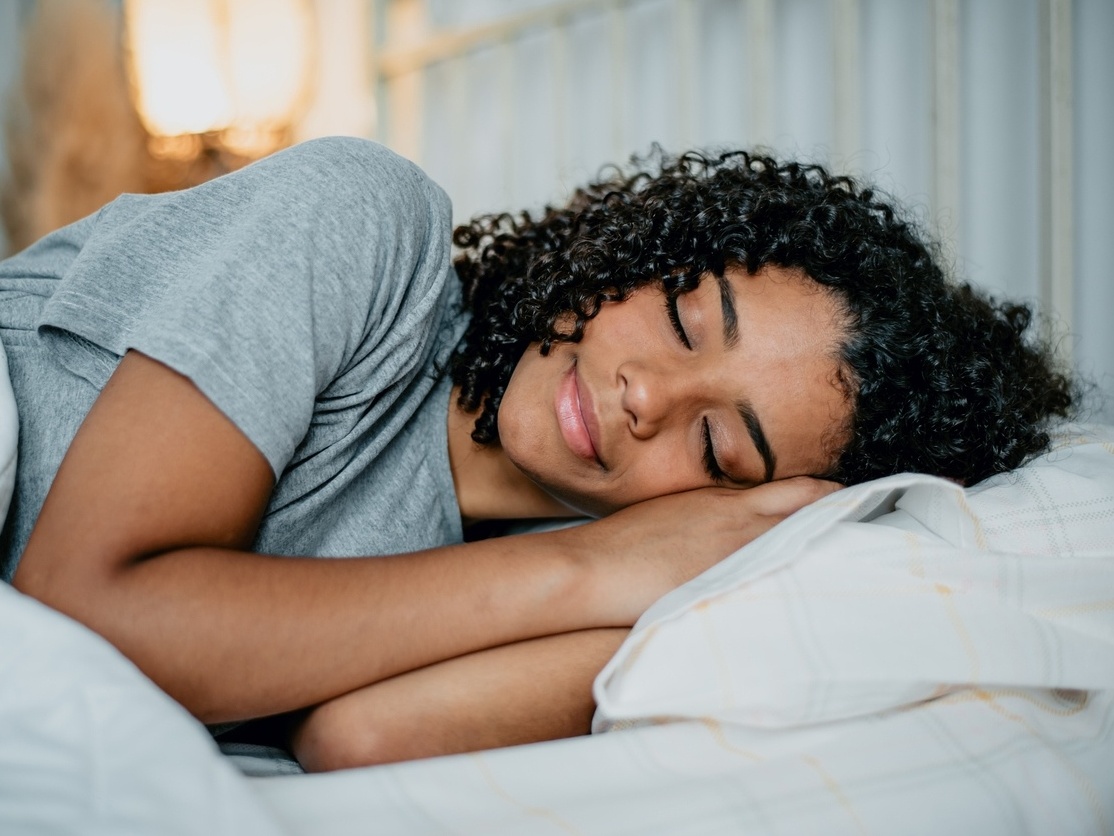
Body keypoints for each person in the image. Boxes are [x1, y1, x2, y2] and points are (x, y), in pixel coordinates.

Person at [0, 137, 1073, 771]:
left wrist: (653, 578)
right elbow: (78, 613)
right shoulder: (365, 223)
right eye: (687, 318)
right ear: (650, 250)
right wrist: (588, 566)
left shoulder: (600, 581)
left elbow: (359, 742)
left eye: (718, 445)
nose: (645, 393)